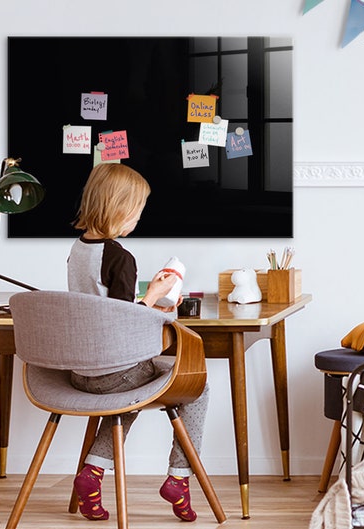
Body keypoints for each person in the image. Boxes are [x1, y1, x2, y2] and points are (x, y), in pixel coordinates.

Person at [66, 162, 209, 522]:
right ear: (119, 210)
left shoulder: (78, 250)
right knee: (196, 385)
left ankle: (93, 474)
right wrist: (157, 296)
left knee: (129, 392)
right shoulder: (120, 257)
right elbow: (121, 321)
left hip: (81, 372)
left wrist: (154, 300)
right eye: (137, 211)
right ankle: (179, 478)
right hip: (114, 372)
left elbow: (103, 305)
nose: (137, 219)